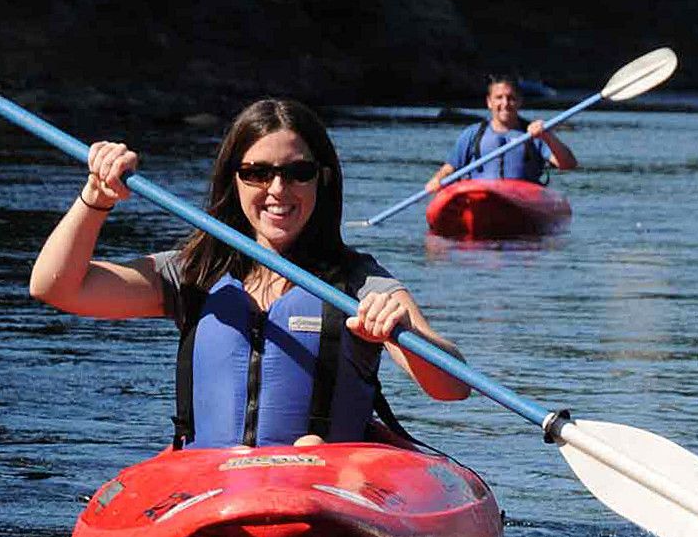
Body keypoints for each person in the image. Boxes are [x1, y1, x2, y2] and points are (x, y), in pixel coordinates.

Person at [29, 98, 470, 449]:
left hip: (321, 490)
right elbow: (57, 287)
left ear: (323, 179)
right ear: (233, 180)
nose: (278, 190)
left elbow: (452, 388)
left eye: (298, 172)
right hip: (212, 487)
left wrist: (405, 333)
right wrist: (95, 198)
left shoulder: (359, 283)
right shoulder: (193, 273)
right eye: (257, 173)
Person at [426, 75, 577, 192]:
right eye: (499, 97)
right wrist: (438, 179)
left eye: (511, 98)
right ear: (489, 102)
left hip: (521, 198)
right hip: (478, 196)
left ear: (519, 102)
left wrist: (548, 136)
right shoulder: (472, 134)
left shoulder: (535, 134)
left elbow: (568, 164)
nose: (505, 103)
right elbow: (449, 169)